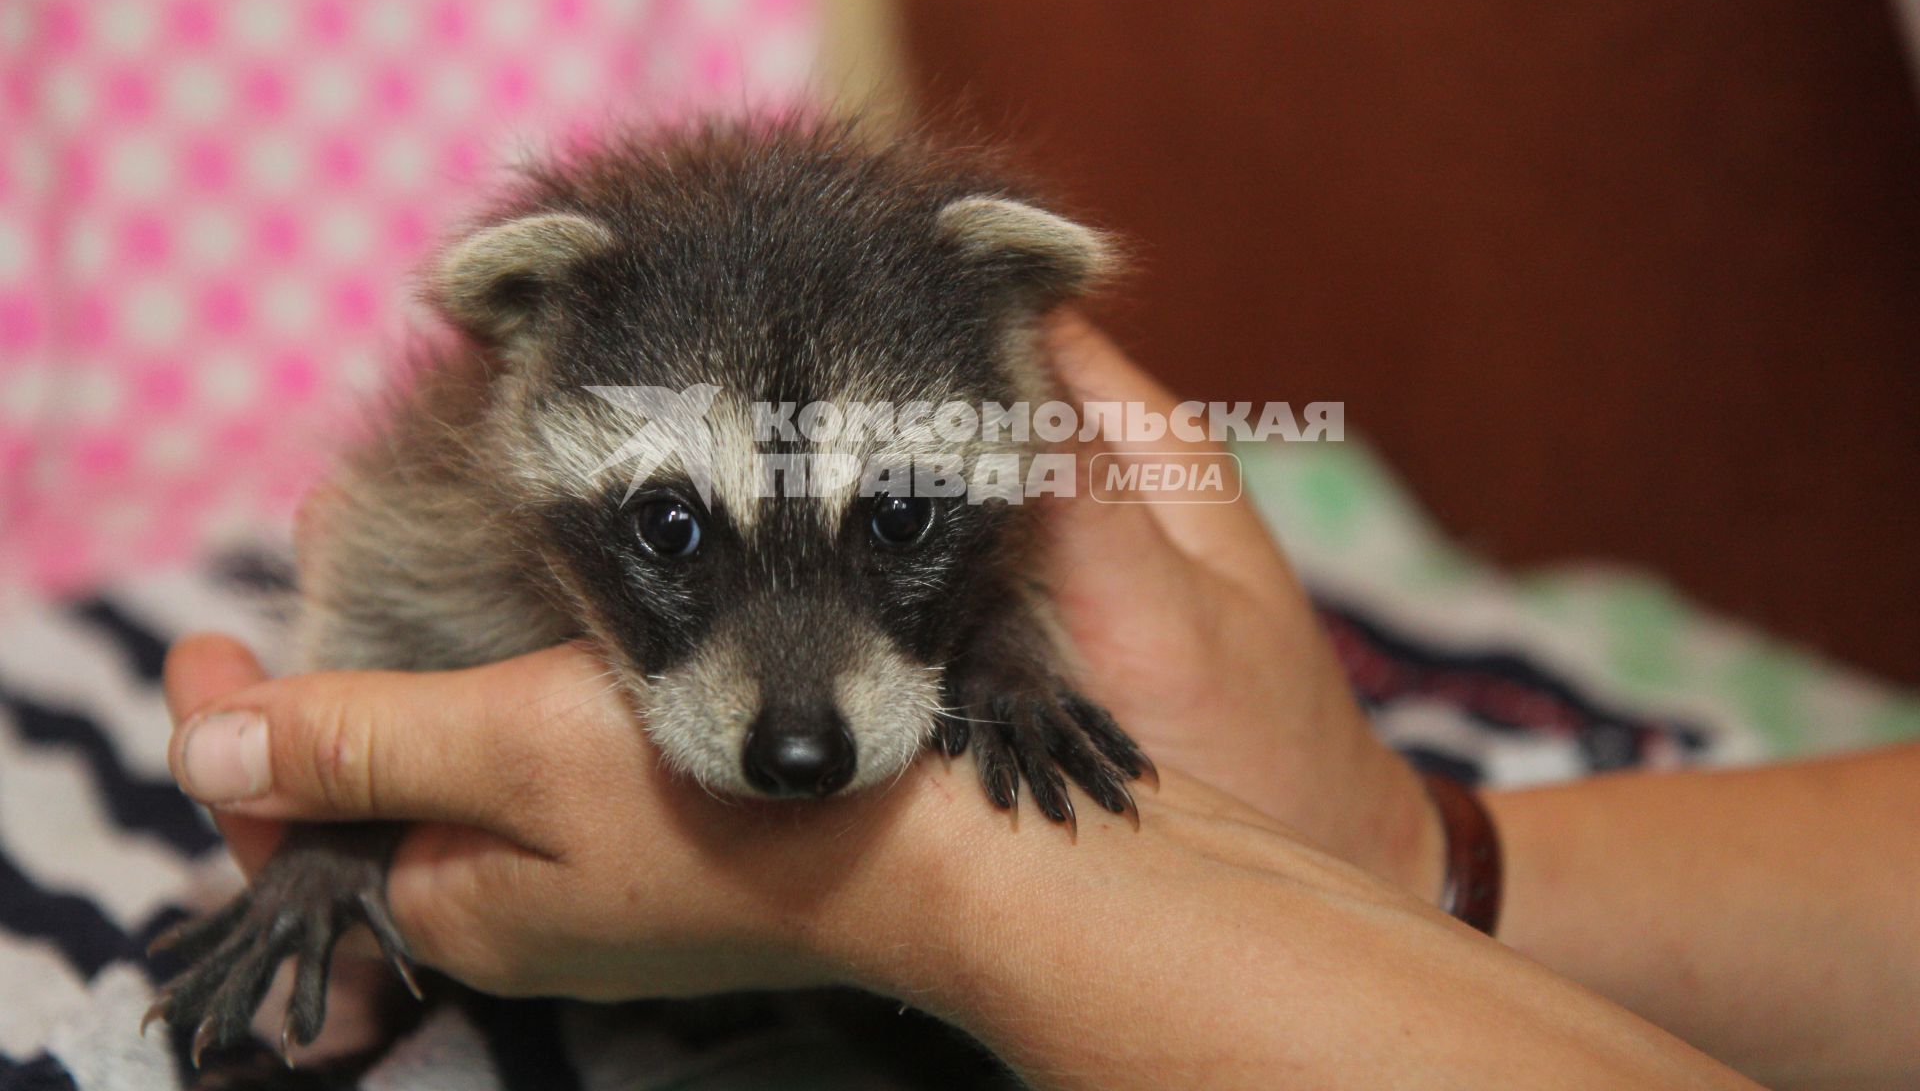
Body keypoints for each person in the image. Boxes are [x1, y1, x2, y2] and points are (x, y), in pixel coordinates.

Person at [160, 316, 1919, 1089]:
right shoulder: (469, 499)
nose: (793, 733)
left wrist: (956, 889)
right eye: (676, 528)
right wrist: (1381, 856)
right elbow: (373, 630)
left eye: (910, 521)